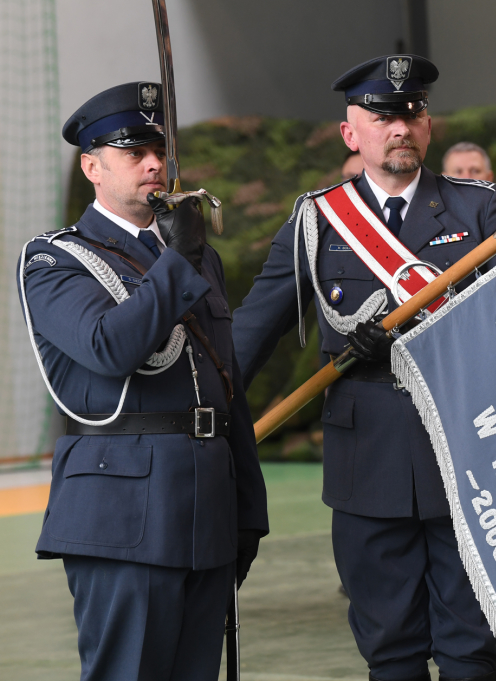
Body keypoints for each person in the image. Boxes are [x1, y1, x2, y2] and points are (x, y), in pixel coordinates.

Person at [231, 55, 496, 681]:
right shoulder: (317, 221)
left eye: (411, 113)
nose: (399, 127)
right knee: (390, 649)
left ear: (428, 126)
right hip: (368, 466)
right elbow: (250, 334)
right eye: (382, 115)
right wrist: (205, 419)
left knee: (471, 647)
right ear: (350, 133)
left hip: (464, 452)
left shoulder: (480, 210)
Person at [20, 82, 268, 680]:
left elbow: (223, 384)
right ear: (92, 166)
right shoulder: (56, 259)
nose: (154, 163)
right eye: (133, 152)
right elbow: (109, 347)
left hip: (206, 505)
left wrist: (247, 508)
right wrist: (176, 263)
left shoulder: (196, 257)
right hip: (121, 514)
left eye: (158, 148)